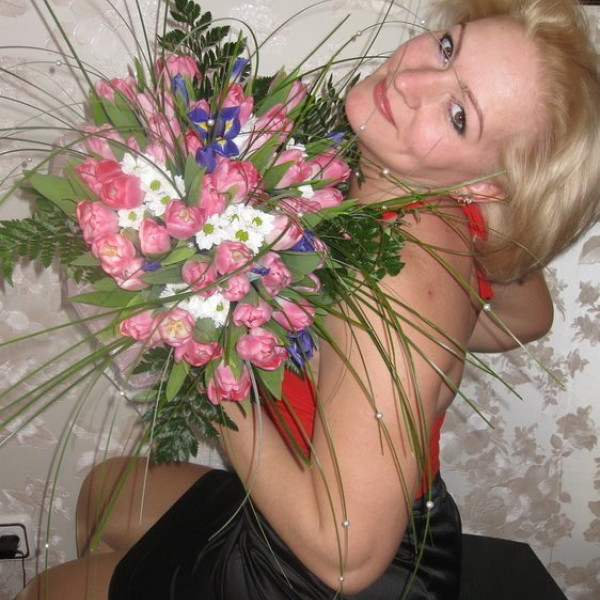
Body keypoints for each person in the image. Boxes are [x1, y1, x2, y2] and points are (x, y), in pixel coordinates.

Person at [15, 0, 600, 598]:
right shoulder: (427, 190)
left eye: (458, 115)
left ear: (489, 184)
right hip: (368, 500)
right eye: (448, 49)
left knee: (47, 591)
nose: (412, 80)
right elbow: (530, 317)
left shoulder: (396, 276)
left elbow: (346, 559)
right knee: (103, 494)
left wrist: (206, 345)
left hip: (327, 568)